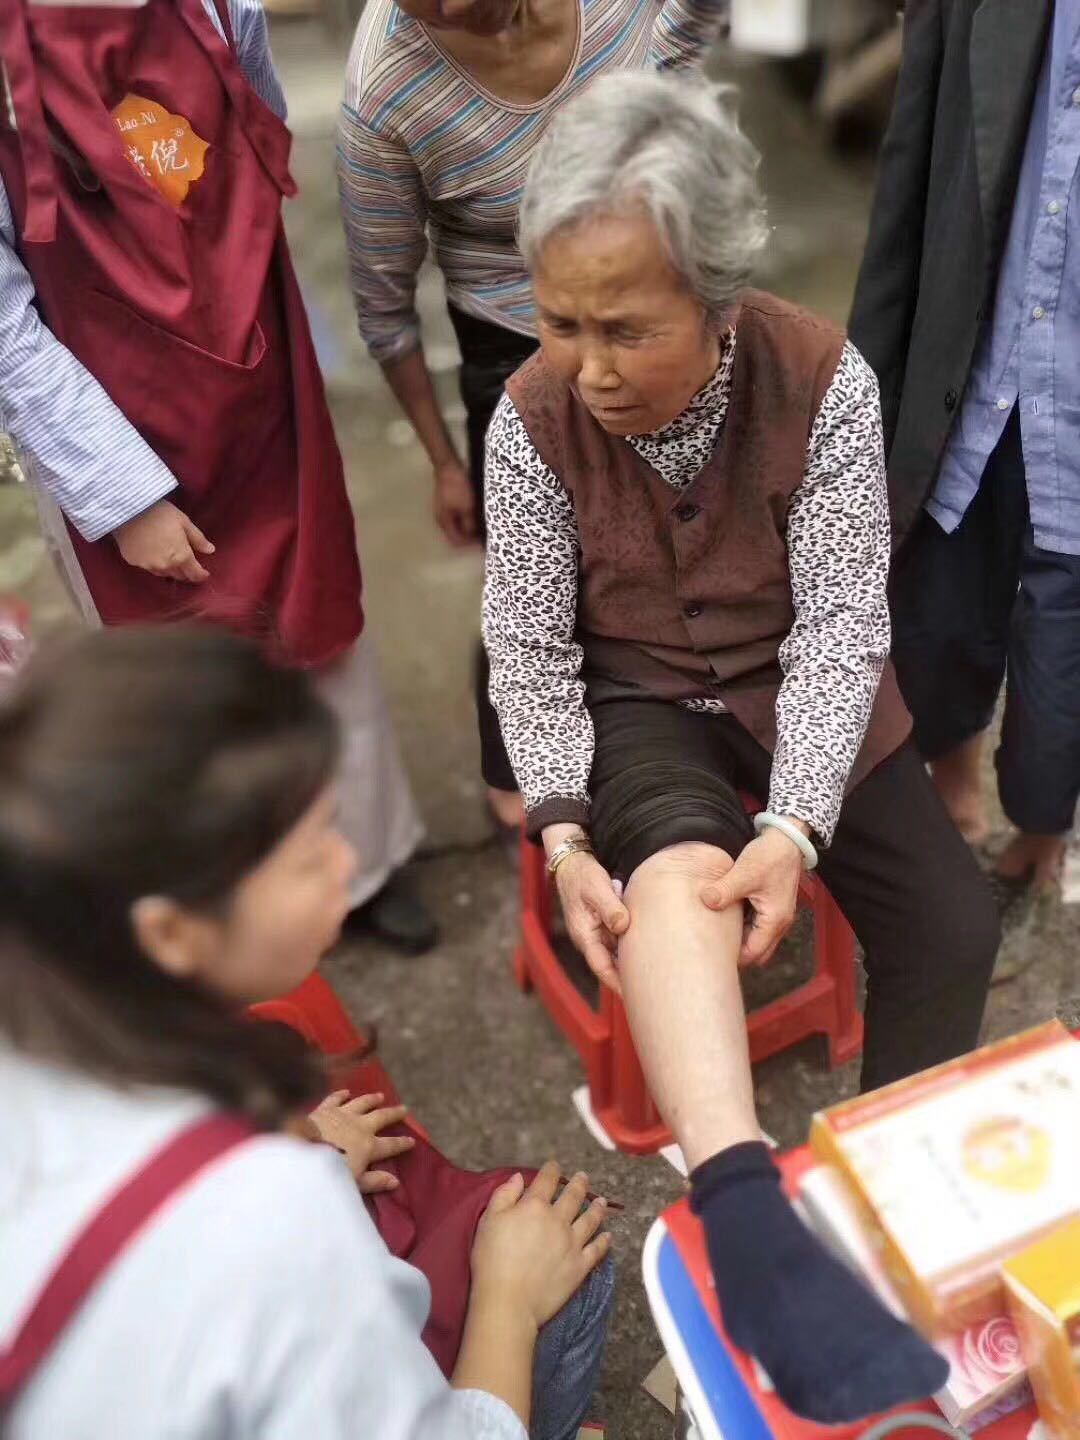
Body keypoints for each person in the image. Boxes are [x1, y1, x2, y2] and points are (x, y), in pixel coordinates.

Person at [483, 70, 1000, 1423]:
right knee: (675, 881)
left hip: (808, 691)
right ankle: (752, 1222)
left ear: (716, 302)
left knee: (951, 928)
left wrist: (797, 825)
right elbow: (529, 651)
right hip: (646, 699)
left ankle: (870, 1205)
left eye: (625, 329)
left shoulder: (821, 380)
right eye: (559, 321)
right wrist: (565, 834)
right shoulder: (530, 419)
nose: (588, 366)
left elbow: (840, 626)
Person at [0, 625, 613, 1439]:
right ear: (171, 932)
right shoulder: (271, 1216)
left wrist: (311, 1156)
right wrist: (508, 1299)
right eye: (310, 849)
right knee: (564, 1257)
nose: (347, 860)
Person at [0, 0, 435, 953]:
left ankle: (359, 863)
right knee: (182, 684)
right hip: (109, 415)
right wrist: (124, 496)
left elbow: (251, 134)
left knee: (323, 629)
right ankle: (231, 902)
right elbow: (4, 322)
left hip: (259, 375)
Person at [338, 0, 727, 841]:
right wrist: (447, 463)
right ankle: (516, 756)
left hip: (666, 302)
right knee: (536, 574)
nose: (443, 8)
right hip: (511, 344)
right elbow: (384, 309)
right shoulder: (385, 93)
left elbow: (691, 31)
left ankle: (682, 720)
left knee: (695, 539)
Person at [849, 0, 1077, 921]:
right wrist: (863, 399)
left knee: (1061, 676)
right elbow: (907, 189)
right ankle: (954, 789)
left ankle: (1041, 833)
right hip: (975, 392)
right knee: (935, 625)